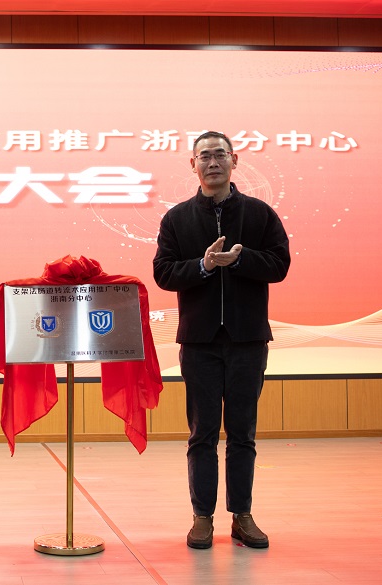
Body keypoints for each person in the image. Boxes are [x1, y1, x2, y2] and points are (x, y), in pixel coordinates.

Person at [152, 131, 290, 550]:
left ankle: (242, 516)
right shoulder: (176, 218)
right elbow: (163, 273)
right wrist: (204, 265)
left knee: (243, 432)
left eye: (220, 155)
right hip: (200, 342)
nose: (212, 163)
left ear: (235, 160)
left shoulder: (260, 214)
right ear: (192, 164)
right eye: (204, 156)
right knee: (203, 434)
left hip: (248, 339)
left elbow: (280, 265)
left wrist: (242, 259)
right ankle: (202, 517)